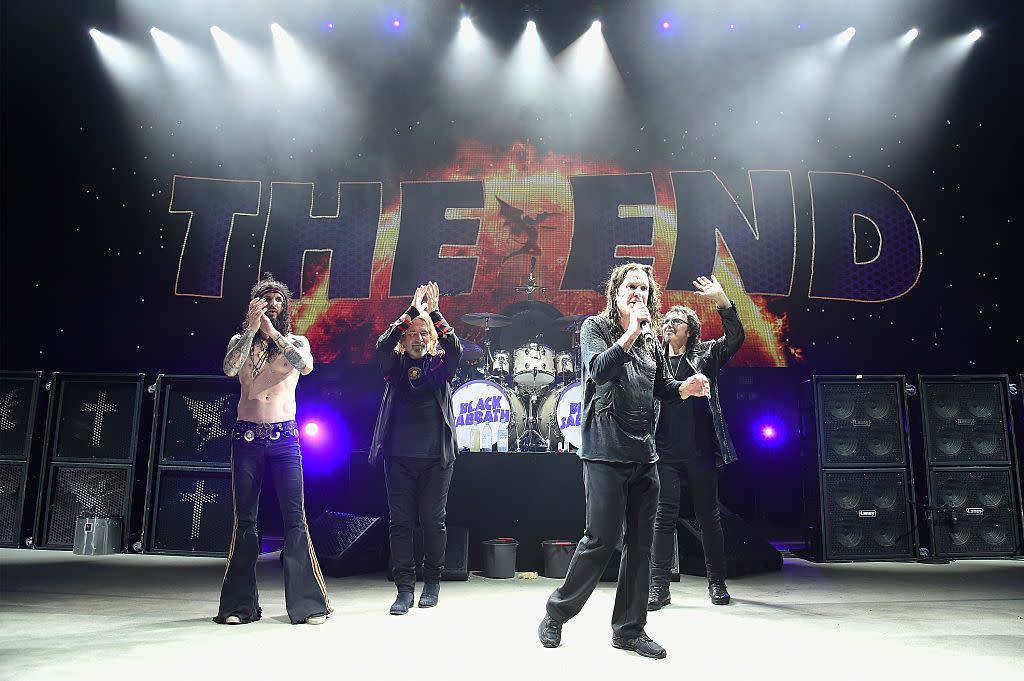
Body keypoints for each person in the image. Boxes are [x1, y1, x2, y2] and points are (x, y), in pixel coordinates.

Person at [538, 263, 698, 660]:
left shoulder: (652, 341)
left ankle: (629, 629)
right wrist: (630, 333)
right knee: (601, 540)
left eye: (643, 288)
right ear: (615, 293)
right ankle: (557, 613)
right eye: (630, 286)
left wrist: (685, 388)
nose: (637, 293)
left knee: (640, 546)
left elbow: (659, 385)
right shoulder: (596, 328)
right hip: (605, 452)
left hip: (645, 454)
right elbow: (598, 370)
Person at [215, 273, 331, 625]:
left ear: (285, 307)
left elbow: (305, 366)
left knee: (295, 519)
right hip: (247, 437)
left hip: (285, 438)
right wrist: (252, 329)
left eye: (277, 299)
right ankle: (239, 606)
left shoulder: (295, 340)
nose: (272, 304)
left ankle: (308, 604)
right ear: (254, 304)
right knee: (245, 521)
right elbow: (229, 368)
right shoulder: (242, 341)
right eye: (265, 298)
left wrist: (272, 333)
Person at [648, 274, 745, 610]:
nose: (669, 324)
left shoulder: (706, 354)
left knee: (708, 517)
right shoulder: (654, 360)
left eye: (677, 320)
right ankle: (659, 587)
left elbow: (736, 336)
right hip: (664, 451)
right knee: (663, 517)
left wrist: (722, 300)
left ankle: (716, 583)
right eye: (666, 321)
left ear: (690, 329)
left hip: (702, 450)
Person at [369, 282, 462, 615]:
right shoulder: (393, 368)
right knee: (400, 524)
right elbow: (382, 344)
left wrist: (434, 312)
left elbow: (455, 348)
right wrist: (411, 309)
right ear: (404, 339)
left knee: (433, 521)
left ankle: (432, 582)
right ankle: (404, 589)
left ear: (431, 338)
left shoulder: (440, 367)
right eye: (412, 333)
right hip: (398, 458)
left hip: (437, 458)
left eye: (424, 333)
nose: (418, 337)